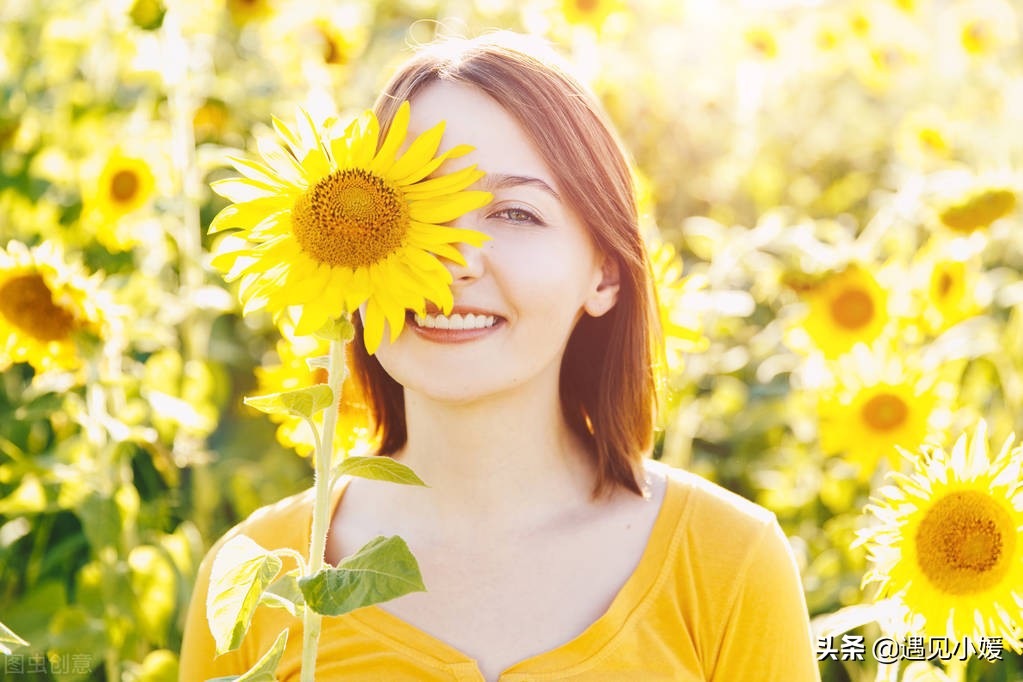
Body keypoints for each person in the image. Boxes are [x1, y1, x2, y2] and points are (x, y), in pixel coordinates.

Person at [180, 30, 820, 682]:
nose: (449, 261)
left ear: (605, 272)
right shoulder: (254, 576)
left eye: (513, 213)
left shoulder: (725, 561)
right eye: (408, 207)